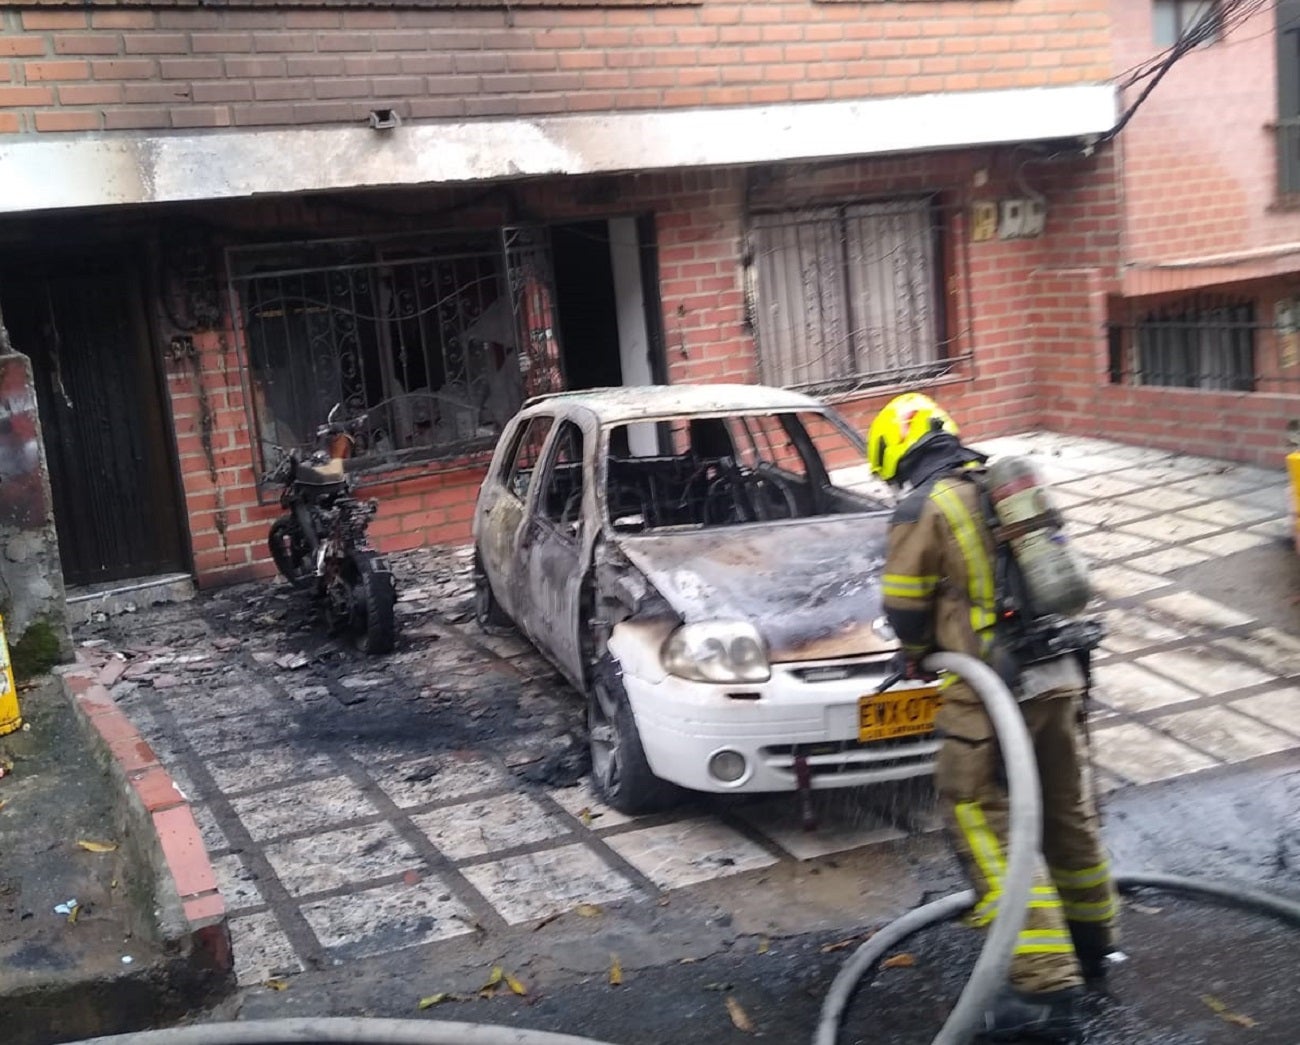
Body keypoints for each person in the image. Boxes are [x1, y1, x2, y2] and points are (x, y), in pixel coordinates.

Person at [866, 392, 1118, 1043]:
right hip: (1060, 674)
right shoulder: (995, 485)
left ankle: (1042, 986)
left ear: (896, 450)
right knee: (1065, 810)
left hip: (993, 689)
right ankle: (1093, 945)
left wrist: (919, 653)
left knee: (981, 815)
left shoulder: (923, 503)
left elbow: (902, 605)